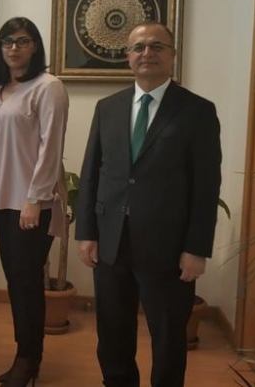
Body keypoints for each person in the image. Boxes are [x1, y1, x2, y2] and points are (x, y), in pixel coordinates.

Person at [75, 21, 221, 387]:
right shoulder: (108, 108)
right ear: (128, 57)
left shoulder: (197, 111)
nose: (147, 53)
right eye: (138, 47)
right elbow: (92, 173)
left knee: (169, 339)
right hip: (112, 242)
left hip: (168, 249)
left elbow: (206, 186)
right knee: (112, 335)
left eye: (157, 46)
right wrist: (87, 232)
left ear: (172, 55)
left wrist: (196, 248)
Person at [0, 16, 69, 387]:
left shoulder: (49, 87)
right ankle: (24, 352)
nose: (14, 48)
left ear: (35, 46)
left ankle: (29, 359)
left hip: (33, 203)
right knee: (16, 281)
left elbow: (51, 147)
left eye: (22, 41)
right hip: (2, 201)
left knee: (27, 283)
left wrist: (35, 198)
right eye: (7, 41)